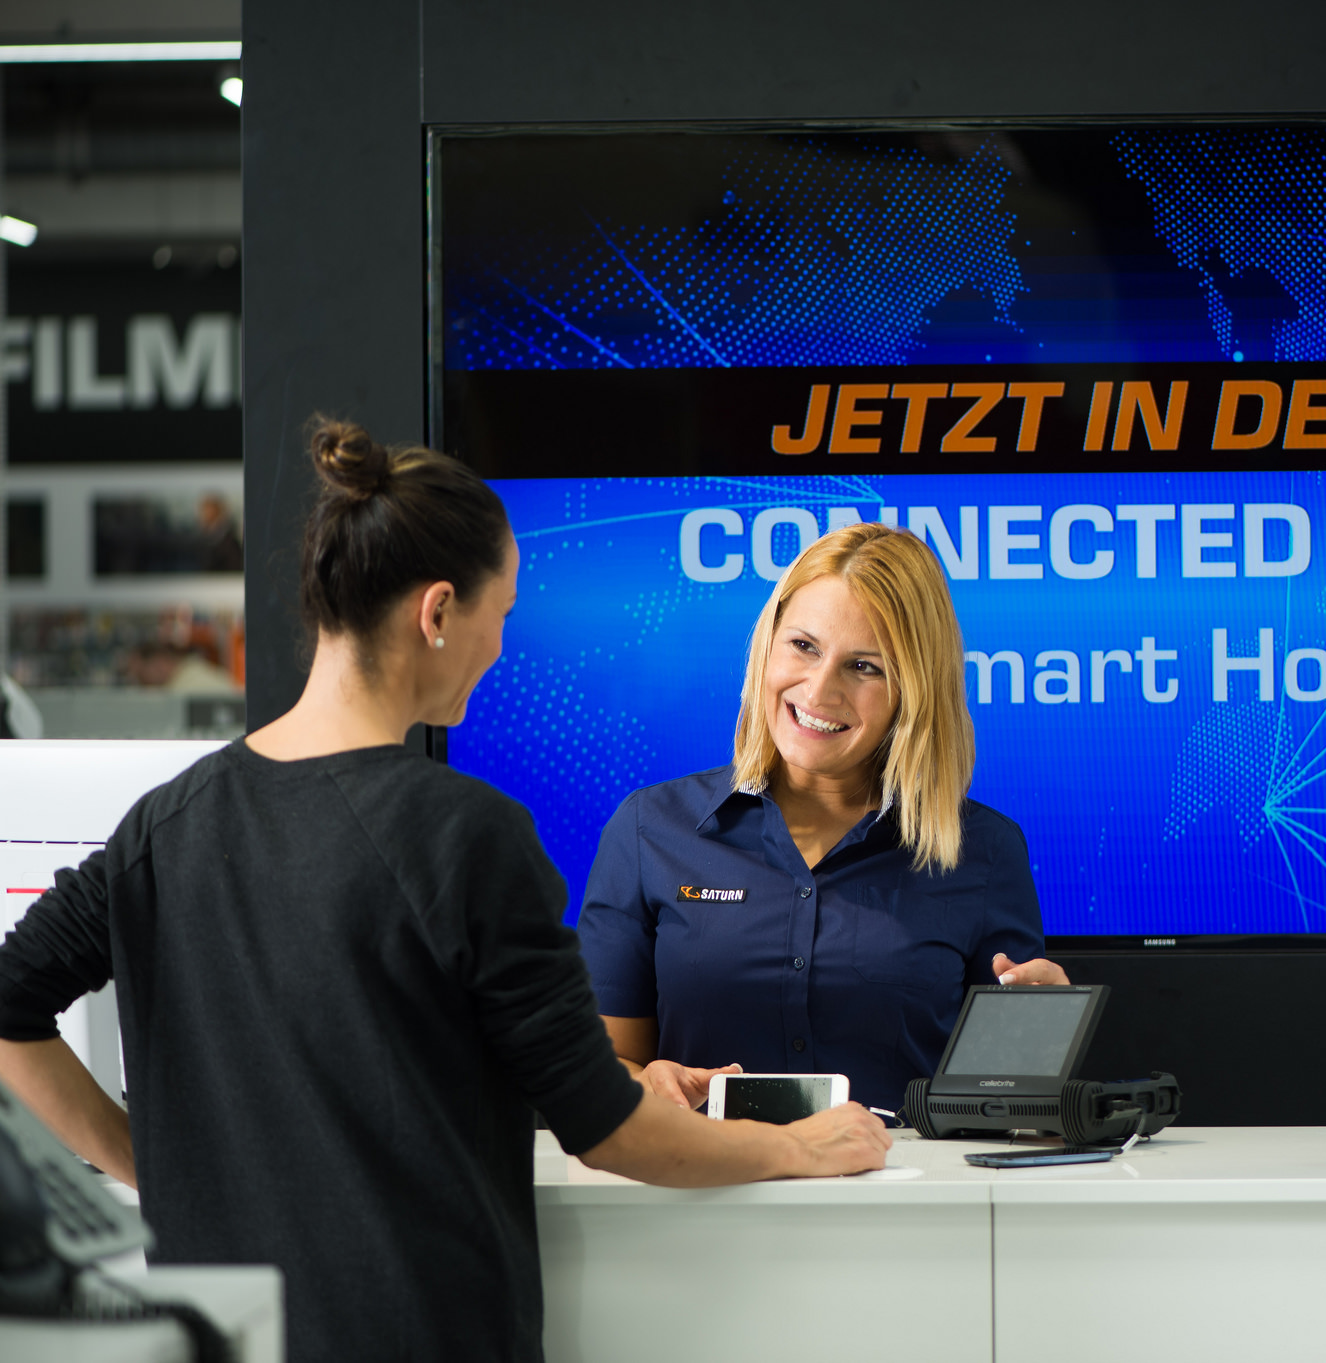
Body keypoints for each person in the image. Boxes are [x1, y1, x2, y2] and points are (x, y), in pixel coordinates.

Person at [0, 419, 888, 1363]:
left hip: (220, 1339)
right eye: (500, 614)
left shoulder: (164, 824)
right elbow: (607, 1128)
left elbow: (10, 1006)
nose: (500, 647)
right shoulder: (470, 836)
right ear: (436, 613)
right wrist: (797, 1146)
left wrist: (157, 1172)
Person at [578, 523, 1069, 1113]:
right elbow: (596, 1074)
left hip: (900, 1173)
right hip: (707, 1170)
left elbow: (1007, 1108)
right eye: (804, 646)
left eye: (864, 666)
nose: (819, 691)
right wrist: (646, 1082)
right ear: (768, 644)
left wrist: (1038, 1045)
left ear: (914, 690)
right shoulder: (649, 829)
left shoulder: (984, 850)